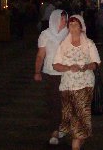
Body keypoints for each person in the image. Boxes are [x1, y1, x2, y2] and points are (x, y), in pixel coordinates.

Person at [52, 15, 101, 150]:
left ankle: (76, 142)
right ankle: (79, 138)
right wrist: (68, 67)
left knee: (81, 114)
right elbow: (55, 65)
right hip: (67, 86)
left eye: (76, 25)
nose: (73, 28)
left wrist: (87, 66)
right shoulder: (63, 44)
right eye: (71, 25)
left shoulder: (89, 44)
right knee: (71, 116)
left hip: (85, 86)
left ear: (81, 27)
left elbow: (97, 63)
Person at [34, 9, 68, 146]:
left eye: (65, 19)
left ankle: (62, 126)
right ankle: (54, 130)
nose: (64, 21)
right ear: (55, 19)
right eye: (62, 19)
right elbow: (40, 55)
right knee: (54, 102)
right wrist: (37, 71)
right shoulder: (46, 34)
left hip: (66, 73)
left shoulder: (69, 33)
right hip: (51, 73)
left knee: (65, 102)